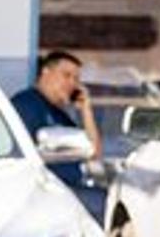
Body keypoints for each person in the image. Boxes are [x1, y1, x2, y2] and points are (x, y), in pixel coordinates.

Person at [9, 49, 104, 217]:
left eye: (76, 79)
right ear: (46, 73)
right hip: (44, 194)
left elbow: (93, 152)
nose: (73, 84)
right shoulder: (27, 104)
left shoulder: (60, 115)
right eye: (66, 76)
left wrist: (86, 110)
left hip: (67, 190)